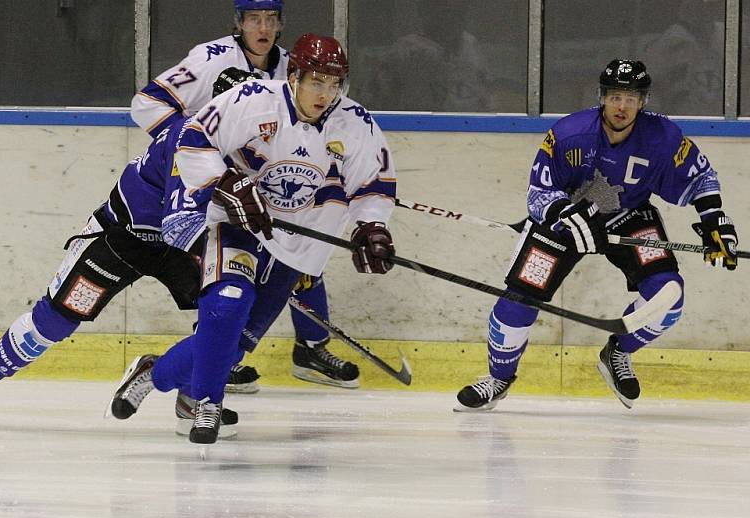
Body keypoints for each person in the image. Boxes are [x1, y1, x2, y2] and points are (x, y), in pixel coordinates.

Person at [108, 33, 397, 445]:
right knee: (227, 307)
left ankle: (154, 374)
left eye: (334, 85)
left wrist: (372, 227)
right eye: (317, 82)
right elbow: (193, 139)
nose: (326, 94)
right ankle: (207, 404)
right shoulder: (252, 99)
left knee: (238, 344)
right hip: (240, 222)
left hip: (298, 245)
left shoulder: (356, 123)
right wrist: (224, 183)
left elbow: (372, 184)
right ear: (294, 75)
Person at [0, 77, 240, 437]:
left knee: (224, 316)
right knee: (56, 319)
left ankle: (190, 397)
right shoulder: (191, 138)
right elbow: (178, 221)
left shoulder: (256, 144)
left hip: (184, 243)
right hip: (123, 236)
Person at [455, 59, 739, 412]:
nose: (622, 106)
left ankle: (618, 351)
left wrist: (714, 219)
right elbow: (538, 193)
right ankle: (498, 379)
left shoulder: (662, 138)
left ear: (643, 101)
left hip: (629, 214)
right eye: (615, 96)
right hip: (566, 221)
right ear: (602, 97)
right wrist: (562, 213)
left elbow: (701, 178)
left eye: (631, 98)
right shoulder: (569, 133)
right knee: (518, 300)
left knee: (668, 296)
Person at [132, 0, 360, 395]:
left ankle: (309, 348)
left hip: (264, 182)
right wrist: (201, 148)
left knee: (301, 256)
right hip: (212, 183)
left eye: (271, 19)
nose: (263, 27)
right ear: (239, 22)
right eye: (254, 19)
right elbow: (147, 105)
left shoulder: (295, 66)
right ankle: (213, 359)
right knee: (223, 271)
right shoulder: (211, 57)